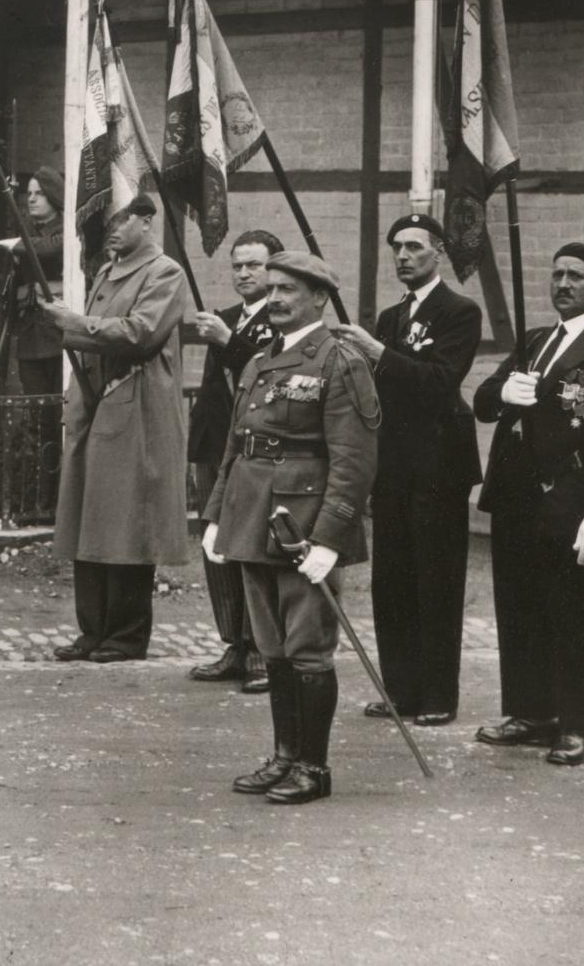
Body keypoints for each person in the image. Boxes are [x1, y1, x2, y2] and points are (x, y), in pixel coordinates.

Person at [201, 252, 380, 805]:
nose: (274, 299)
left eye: (288, 291)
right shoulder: (257, 362)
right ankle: (283, 755)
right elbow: (235, 445)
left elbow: (354, 460)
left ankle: (313, 766)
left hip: (302, 525)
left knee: (307, 647)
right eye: (271, 288)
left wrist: (330, 537)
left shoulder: (338, 361)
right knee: (272, 645)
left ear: (319, 298)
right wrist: (215, 516)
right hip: (251, 517)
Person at [471, 243, 584, 768]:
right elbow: (481, 403)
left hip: (569, 500)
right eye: (556, 275)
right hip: (517, 497)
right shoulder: (534, 341)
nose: (562, 284)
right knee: (518, 606)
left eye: (575, 276)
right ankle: (529, 712)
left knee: (568, 611)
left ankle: (571, 724)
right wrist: (507, 392)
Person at [337, 214, 483, 727]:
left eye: (414, 247)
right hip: (394, 461)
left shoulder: (460, 312)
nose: (402, 255)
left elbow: (440, 380)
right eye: (396, 247)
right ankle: (401, 689)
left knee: (436, 579)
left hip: (440, 462)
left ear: (438, 251)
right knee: (392, 580)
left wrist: (377, 352)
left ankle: (439, 695)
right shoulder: (391, 317)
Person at [39, 195, 194, 662]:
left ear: (147, 221)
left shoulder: (165, 272)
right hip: (95, 404)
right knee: (89, 517)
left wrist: (77, 322)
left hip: (135, 406)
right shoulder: (108, 270)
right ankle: (92, 630)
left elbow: (141, 332)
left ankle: (125, 635)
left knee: (128, 521)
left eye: (121, 218)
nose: (111, 228)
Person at [186, 229, 283, 694]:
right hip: (214, 446)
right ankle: (234, 644)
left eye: (255, 265)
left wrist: (229, 340)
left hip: (254, 449)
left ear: (275, 268)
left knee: (252, 546)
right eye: (238, 265)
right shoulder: (224, 317)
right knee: (216, 547)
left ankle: (262, 647)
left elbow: (267, 375)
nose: (244, 273)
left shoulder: (282, 319)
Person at [0, 169, 67, 396]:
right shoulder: (23, 234)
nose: (31, 198)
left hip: (63, 336)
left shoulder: (69, 228)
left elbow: (52, 246)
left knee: (63, 413)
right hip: (30, 338)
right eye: (29, 193)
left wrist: (18, 244)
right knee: (36, 417)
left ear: (54, 195)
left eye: (39, 193)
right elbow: (7, 295)